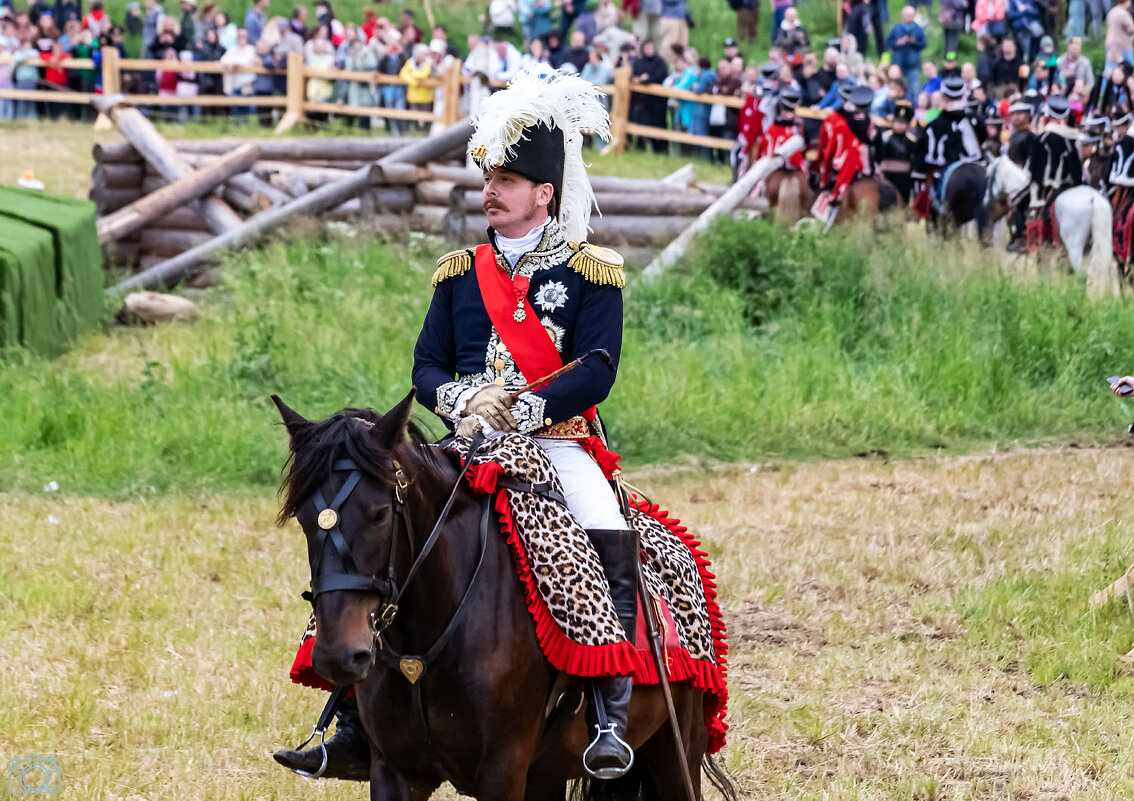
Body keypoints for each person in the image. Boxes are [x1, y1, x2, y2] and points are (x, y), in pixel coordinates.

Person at [275, 66, 635, 784]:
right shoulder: (457, 273)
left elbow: (596, 368)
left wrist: (528, 407)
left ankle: (606, 714)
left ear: (544, 193)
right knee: (376, 523)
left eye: (506, 179)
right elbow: (426, 367)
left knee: (604, 529)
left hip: (554, 444)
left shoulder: (593, 272)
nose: (490, 189)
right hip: (468, 439)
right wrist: (465, 402)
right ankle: (349, 715)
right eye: (487, 176)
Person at [912, 77, 984, 214]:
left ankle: (939, 206)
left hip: (942, 171)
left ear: (944, 97)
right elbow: (983, 141)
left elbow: (921, 155)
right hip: (974, 165)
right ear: (963, 95)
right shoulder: (974, 121)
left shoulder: (933, 125)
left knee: (935, 199)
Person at [817, 84, 876, 211]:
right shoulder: (872, 125)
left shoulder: (836, 122)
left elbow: (828, 149)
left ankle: (831, 213)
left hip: (842, 166)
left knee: (833, 194)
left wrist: (823, 177)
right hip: (868, 169)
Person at [874, 99, 917, 203]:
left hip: (904, 179)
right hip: (887, 177)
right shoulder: (885, 138)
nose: (899, 126)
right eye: (897, 122)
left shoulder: (912, 141)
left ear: (907, 125)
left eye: (903, 123)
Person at [887, 6, 925, 102]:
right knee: (897, 89)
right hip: (898, 65)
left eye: (911, 15)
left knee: (913, 90)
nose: (909, 17)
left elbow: (923, 44)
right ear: (903, 16)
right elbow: (888, 43)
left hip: (913, 65)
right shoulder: (896, 28)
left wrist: (913, 42)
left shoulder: (918, 29)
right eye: (907, 15)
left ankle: (912, 110)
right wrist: (898, 42)